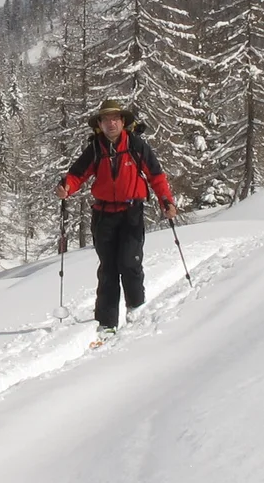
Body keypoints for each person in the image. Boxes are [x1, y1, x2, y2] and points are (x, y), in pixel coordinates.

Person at [59, 98, 176, 336]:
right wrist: (66, 188)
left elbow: (156, 176)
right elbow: (76, 175)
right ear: (100, 124)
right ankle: (106, 323)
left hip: (131, 213)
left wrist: (167, 201)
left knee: (130, 263)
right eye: (106, 119)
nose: (111, 123)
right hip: (103, 216)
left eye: (115, 118)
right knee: (108, 269)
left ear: (122, 121)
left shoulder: (136, 145)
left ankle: (136, 310)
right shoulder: (95, 148)